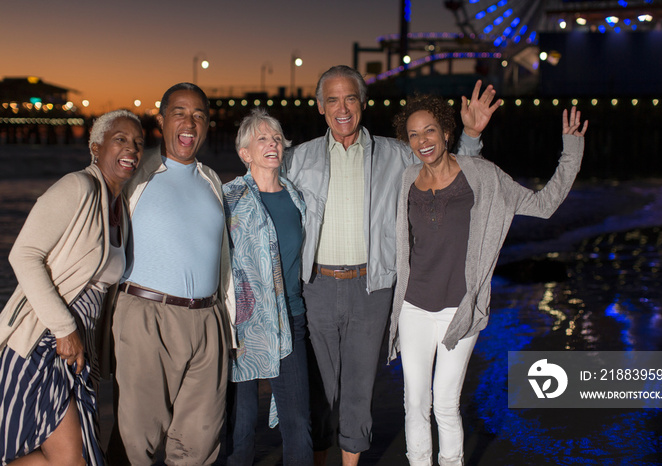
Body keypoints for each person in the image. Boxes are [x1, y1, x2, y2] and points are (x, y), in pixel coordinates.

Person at [282, 65, 493, 465]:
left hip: (373, 287)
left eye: (350, 98)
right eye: (332, 99)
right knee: (319, 390)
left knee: (359, 389)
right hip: (315, 287)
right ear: (320, 107)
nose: (342, 108)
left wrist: (472, 136)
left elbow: (450, 172)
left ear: (362, 103)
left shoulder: (396, 155)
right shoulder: (298, 158)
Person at [387, 91, 588, 465]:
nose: (422, 141)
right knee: (414, 403)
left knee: (445, 404)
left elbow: (544, 206)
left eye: (429, 130)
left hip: (459, 310)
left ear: (446, 132)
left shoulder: (485, 177)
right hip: (413, 307)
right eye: (413, 135)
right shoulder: (406, 179)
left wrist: (571, 150)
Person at [0, 110, 144, 465]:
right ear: (96, 147)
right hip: (42, 343)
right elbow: (24, 255)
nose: (132, 148)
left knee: (64, 458)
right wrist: (64, 329)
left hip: (75, 352)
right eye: (121, 139)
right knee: (71, 458)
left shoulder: (119, 208)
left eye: (139, 143)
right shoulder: (77, 186)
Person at [110, 83, 235, 465]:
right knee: (138, 440)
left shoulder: (213, 181)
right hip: (146, 318)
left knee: (200, 444)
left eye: (199, 115)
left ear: (207, 126)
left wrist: (229, 324)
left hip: (208, 321)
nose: (190, 122)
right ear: (161, 120)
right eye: (180, 112)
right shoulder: (135, 173)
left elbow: (223, 257)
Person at [218, 108, 312, 465]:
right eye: (262, 139)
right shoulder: (229, 199)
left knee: (298, 422)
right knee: (240, 427)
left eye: (276, 138)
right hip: (243, 325)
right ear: (245, 153)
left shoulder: (297, 198)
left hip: (291, 319)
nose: (272, 144)